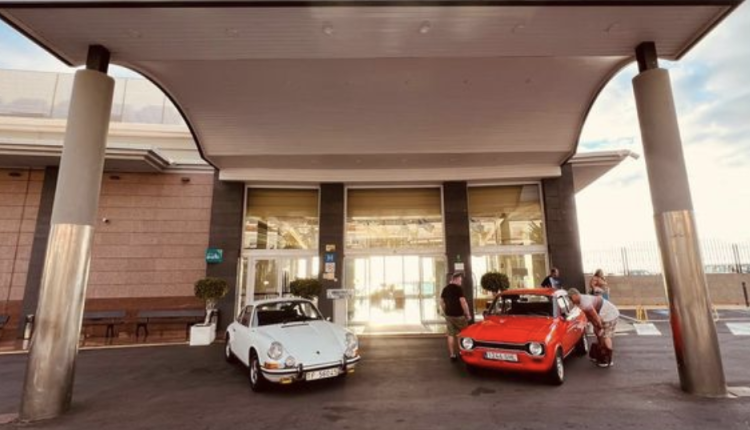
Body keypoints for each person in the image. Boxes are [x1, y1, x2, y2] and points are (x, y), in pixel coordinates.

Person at [567, 288, 619, 368]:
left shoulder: (585, 302)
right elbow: (589, 316)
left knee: (606, 336)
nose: (571, 300)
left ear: (575, 295)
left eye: (571, 298)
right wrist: (595, 327)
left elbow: (595, 316)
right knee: (598, 333)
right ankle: (600, 354)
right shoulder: (579, 303)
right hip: (602, 314)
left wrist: (600, 327)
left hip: (610, 314)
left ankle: (608, 359)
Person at [440, 272, 472, 362]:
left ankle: (452, 355)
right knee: (463, 334)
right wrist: (468, 314)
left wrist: (446, 311)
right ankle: (462, 352)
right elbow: (463, 302)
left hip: (449, 315)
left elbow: (441, 302)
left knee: (451, 334)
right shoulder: (458, 288)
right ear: (456, 280)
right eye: (460, 281)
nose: (460, 282)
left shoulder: (445, 288)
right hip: (459, 316)